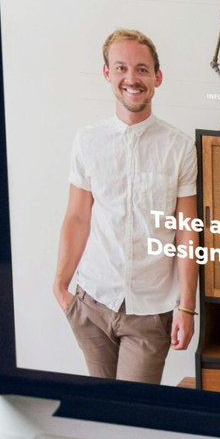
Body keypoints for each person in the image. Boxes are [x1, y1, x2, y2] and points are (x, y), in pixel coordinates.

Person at [53, 28, 198, 384]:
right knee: (102, 411)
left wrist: (186, 307)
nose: (131, 78)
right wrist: (61, 287)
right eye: (121, 68)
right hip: (91, 302)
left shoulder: (179, 147)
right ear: (107, 74)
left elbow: (187, 233)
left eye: (142, 69)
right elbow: (77, 217)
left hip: (151, 311)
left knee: (136, 411)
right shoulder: (87, 141)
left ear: (157, 77)